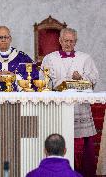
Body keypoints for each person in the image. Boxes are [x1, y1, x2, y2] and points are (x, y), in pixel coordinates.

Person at [41, 28, 99, 177]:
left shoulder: (85, 58)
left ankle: (82, 172)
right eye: (65, 41)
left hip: (80, 107)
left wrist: (81, 77)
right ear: (60, 41)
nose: (68, 44)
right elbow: (44, 80)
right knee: (58, 139)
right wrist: (64, 82)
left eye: (71, 41)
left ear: (76, 42)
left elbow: (93, 79)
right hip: (58, 105)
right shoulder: (50, 58)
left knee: (82, 143)